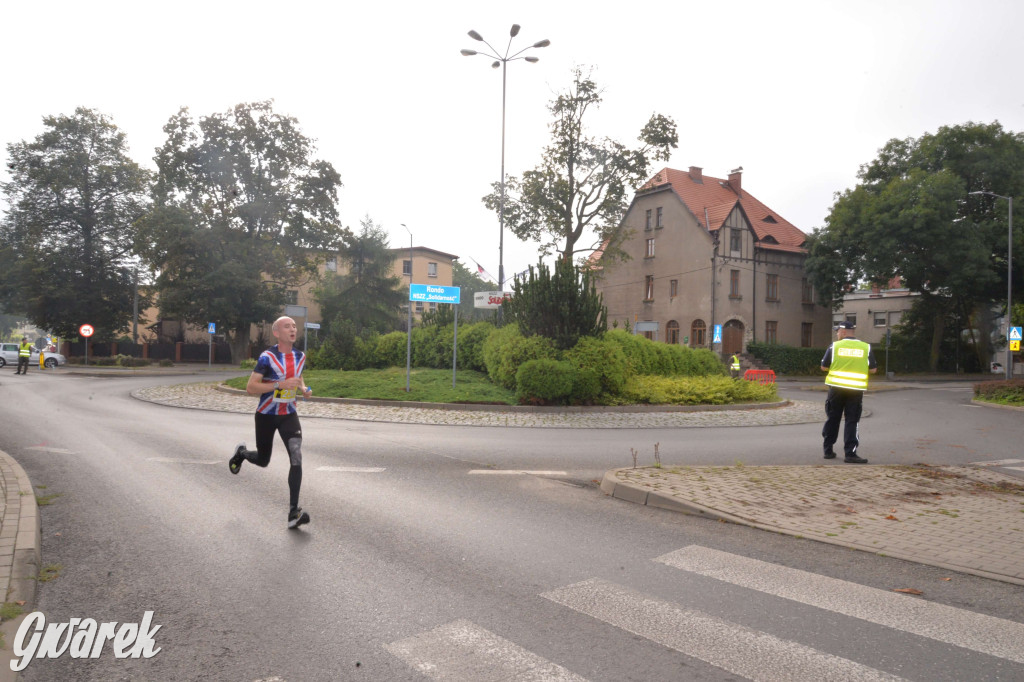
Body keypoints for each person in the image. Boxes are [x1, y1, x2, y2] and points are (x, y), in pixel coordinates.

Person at [228, 316, 314, 529]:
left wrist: (303, 388)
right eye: (287, 326)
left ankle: (293, 513)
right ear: (277, 333)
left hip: (288, 414)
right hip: (266, 415)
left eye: (294, 326)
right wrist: (279, 384)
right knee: (263, 460)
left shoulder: (300, 356)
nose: (293, 329)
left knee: (296, 456)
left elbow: (298, 376)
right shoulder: (267, 357)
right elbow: (251, 387)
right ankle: (242, 454)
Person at [820, 321, 877, 463]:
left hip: (836, 389)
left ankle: (828, 450)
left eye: (837, 331)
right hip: (855, 390)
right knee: (852, 421)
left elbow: (823, 367)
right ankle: (850, 454)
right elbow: (873, 370)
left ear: (843, 331)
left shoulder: (835, 346)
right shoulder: (866, 347)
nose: (836, 333)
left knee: (833, 418)